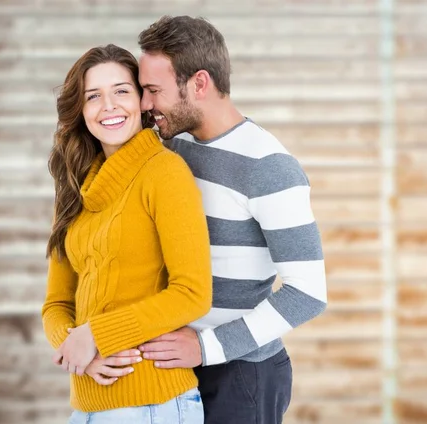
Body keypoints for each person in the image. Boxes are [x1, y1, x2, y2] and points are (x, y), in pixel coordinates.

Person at [133, 16, 328, 424]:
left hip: (241, 374)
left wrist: (206, 348)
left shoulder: (268, 167)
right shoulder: (176, 145)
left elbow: (308, 292)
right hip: (177, 368)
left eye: (154, 90)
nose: (146, 104)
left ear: (199, 83)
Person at [41, 44, 212, 423]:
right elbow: (56, 304)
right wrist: (75, 348)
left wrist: (97, 335)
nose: (109, 106)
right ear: (80, 110)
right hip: (86, 407)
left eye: (121, 91)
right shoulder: (73, 188)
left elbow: (193, 294)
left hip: (154, 405)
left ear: (141, 101)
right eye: (93, 96)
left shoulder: (164, 173)